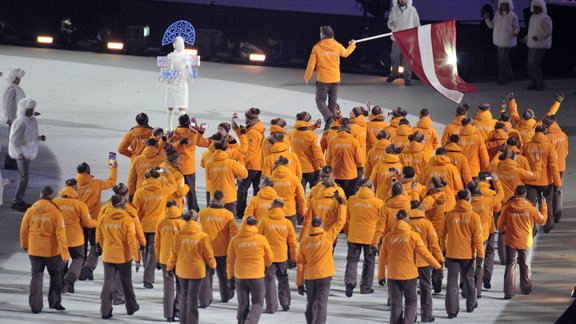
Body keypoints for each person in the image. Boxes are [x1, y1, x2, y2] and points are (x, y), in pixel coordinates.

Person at [378, 209, 441, 324]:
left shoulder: (388, 237)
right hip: (409, 275)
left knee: (395, 303)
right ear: (406, 219)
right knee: (411, 301)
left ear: (396, 220)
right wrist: (437, 266)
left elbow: (382, 258)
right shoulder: (413, 236)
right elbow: (425, 253)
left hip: (393, 275)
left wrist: (381, 275)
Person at [297, 191, 346, 324]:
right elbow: (340, 222)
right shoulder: (327, 237)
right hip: (325, 275)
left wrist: (299, 283)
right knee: (321, 304)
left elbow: (300, 264)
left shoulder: (304, 242)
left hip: (310, 277)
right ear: (321, 225)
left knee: (311, 303)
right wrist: (341, 205)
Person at [20, 186, 69, 313]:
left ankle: (35, 306)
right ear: (51, 196)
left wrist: (25, 245)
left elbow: (24, 230)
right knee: (56, 275)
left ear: (41, 194)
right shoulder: (55, 212)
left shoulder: (30, 211)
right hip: (51, 251)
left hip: (34, 250)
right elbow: (61, 234)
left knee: (36, 277)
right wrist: (64, 253)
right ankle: (54, 302)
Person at [167, 211, 216, 324]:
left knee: (184, 296)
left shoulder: (179, 235)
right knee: (193, 298)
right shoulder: (203, 236)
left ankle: (183, 321)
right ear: (196, 220)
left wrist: (169, 268)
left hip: (182, 270)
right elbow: (208, 254)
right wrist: (212, 266)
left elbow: (173, 253)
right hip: (197, 271)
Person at [498, 185, 546, 298]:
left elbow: (500, 225)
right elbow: (542, 221)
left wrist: (504, 230)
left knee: (510, 266)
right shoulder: (530, 208)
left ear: (515, 193)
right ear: (525, 194)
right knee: (525, 265)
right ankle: (526, 288)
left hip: (511, 241)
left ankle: (509, 292)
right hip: (526, 242)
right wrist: (543, 205)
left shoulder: (508, 206)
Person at [97, 194, 140, 319]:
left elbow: (99, 235)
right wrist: (137, 258)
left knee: (108, 282)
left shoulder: (104, 217)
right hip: (123, 257)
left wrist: (102, 246)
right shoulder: (127, 220)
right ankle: (131, 307)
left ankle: (105, 311)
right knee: (126, 282)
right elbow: (132, 241)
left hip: (108, 255)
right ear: (122, 205)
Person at [442, 190, 484, 318]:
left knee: (451, 282)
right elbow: (478, 239)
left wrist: (443, 249)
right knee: (469, 280)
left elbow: (442, 234)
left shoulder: (449, 215)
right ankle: (471, 304)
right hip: (467, 254)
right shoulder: (473, 216)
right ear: (468, 199)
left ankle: (451, 311)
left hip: (452, 253)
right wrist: (481, 255)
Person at [304, 25, 356, 127]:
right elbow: (345, 54)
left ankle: (329, 117)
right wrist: (352, 45)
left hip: (323, 79)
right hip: (335, 78)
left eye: (320, 32)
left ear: (323, 34)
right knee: (332, 102)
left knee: (319, 100)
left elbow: (311, 64)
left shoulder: (317, 47)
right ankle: (330, 124)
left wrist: (307, 77)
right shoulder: (337, 45)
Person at [76, 160, 118, 281]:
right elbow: (112, 182)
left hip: (79, 221)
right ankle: (88, 268)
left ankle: (79, 269)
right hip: (94, 220)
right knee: (96, 244)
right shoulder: (97, 183)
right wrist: (113, 167)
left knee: (81, 245)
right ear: (88, 172)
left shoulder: (73, 185)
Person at [227, 216, 274, 324]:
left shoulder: (235, 239)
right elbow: (270, 257)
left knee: (243, 303)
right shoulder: (261, 239)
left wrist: (230, 277)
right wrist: (265, 266)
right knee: (258, 302)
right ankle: (251, 321)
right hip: (257, 275)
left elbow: (229, 260)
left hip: (240, 276)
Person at [53, 179, 97, 293]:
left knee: (63, 258)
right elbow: (87, 223)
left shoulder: (54, 202)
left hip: (58, 237)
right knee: (78, 258)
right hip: (75, 239)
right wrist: (98, 223)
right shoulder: (79, 204)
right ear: (75, 190)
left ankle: (61, 285)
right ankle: (69, 280)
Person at [258, 198, 298, 313]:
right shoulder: (287, 223)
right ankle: (285, 303)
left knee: (269, 281)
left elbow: (258, 238)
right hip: (282, 257)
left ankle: (271, 307)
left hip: (268, 258)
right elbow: (293, 243)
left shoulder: (264, 221)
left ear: (272, 207)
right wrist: (295, 257)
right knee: (283, 279)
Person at [132, 168, 171, 289]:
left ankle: (148, 274)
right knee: (152, 251)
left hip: (143, 225)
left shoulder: (139, 192)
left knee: (144, 249)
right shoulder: (164, 190)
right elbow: (174, 185)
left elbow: (134, 210)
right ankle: (148, 278)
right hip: (157, 226)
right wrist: (166, 171)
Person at [198, 190, 238, 306]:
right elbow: (234, 232)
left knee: (206, 276)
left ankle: (204, 300)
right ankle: (225, 295)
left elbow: (198, 230)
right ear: (222, 199)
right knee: (223, 274)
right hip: (222, 250)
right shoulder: (228, 215)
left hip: (206, 250)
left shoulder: (203, 213)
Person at [407, 201, 445, 323]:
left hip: (408, 261)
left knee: (409, 291)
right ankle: (426, 315)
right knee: (426, 288)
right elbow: (434, 245)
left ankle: (410, 316)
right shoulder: (426, 224)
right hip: (424, 261)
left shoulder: (404, 223)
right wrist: (440, 259)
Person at [344, 179, 383, 297]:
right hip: (370, 237)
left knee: (352, 261)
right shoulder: (378, 203)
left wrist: (348, 233)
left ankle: (349, 283)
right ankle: (365, 287)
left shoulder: (351, 200)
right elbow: (381, 221)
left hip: (354, 235)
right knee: (369, 262)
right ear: (370, 187)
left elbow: (346, 217)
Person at [8, 98, 46, 211]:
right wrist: (19, 153)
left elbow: (29, 137)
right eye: (29, 109)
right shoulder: (21, 122)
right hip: (22, 154)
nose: (31, 111)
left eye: (32, 109)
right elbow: (13, 140)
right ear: (24, 109)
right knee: (24, 177)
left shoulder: (31, 120)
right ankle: (16, 200)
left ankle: (19, 199)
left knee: (24, 177)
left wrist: (39, 138)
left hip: (27, 153)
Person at [522, 125, 562, 233]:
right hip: (546, 182)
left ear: (535, 133)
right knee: (547, 203)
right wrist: (558, 183)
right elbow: (554, 167)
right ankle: (548, 225)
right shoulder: (549, 146)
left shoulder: (526, 146)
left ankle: (531, 229)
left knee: (530, 206)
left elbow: (521, 162)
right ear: (545, 133)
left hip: (530, 181)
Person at [155, 200, 186, 321]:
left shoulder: (161, 223)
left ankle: (168, 314)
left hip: (164, 259)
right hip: (178, 260)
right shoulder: (182, 224)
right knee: (181, 286)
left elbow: (157, 244)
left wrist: (157, 259)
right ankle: (177, 310)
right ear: (177, 207)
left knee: (168, 287)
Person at [235, 108, 266, 219]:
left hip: (251, 165)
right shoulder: (256, 128)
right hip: (259, 164)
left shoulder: (252, 132)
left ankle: (240, 212)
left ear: (249, 118)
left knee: (242, 188)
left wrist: (242, 166)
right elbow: (244, 138)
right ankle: (257, 212)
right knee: (257, 189)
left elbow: (249, 152)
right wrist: (236, 127)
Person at [205, 140, 248, 217]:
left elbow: (209, 177)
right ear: (226, 149)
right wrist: (241, 162)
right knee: (230, 225)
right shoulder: (231, 163)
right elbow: (244, 174)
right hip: (229, 197)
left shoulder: (209, 164)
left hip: (215, 198)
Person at [326, 118, 364, 198]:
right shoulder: (354, 142)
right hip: (350, 175)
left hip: (336, 175)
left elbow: (328, 159)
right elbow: (360, 161)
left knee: (337, 199)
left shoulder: (332, 141)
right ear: (349, 129)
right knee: (349, 198)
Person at [484, 0, 520, 85]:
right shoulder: (497, 14)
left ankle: (507, 77)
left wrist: (515, 32)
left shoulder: (512, 15)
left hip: (507, 40)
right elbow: (491, 25)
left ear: (509, 5)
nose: (503, 5)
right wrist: (487, 18)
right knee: (501, 59)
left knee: (502, 58)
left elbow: (516, 27)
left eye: (505, 4)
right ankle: (503, 78)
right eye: (502, 4)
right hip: (498, 40)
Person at [387, 0, 421, 85]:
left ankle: (407, 77)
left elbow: (417, 24)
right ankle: (393, 74)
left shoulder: (412, 10)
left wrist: (417, 35)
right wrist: (391, 24)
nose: (402, 0)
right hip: (396, 38)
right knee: (394, 57)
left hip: (408, 39)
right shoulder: (394, 10)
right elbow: (389, 22)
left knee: (408, 59)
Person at [541, 115, 568, 224]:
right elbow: (566, 152)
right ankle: (557, 215)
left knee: (548, 192)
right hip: (561, 167)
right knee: (558, 191)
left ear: (547, 124)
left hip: (550, 168)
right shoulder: (563, 135)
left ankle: (549, 216)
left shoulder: (547, 138)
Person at [171, 114, 199, 212]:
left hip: (176, 167)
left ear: (179, 123)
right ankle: (193, 211)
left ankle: (176, 210)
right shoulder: (193, 133)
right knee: (191, 191)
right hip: (189, 167)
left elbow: (169, 146)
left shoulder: (174, 134)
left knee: (175, 190)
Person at [291, 111, 326, 190]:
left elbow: (302, 130)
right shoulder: (313, 136)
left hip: (298, 168)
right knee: (316, 192)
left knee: (300, 193)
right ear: (308, 121)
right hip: (312, 168)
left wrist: (314, 126)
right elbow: (317, 152)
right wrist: (323, 165)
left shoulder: (293, 132)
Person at [165, 36, 193, 131]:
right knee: (182, 107)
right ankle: (182, 128)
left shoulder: (170, 56)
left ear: (174, 45)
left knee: (170, 106)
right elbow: (189, 70)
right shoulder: (186, 55)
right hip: (183, 84)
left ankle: (169, 128)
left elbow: (167, 71)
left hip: (172, 83)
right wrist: (190, 78)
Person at [524, 0, 552, 91]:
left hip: (540, 45)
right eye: (534, 7)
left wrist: (539, 37)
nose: (535, 9)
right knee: (529, 65)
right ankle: (534, 82)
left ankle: (541, 84)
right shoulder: (533, 17)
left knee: (534, 64)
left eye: (537, 7)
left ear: (541, 7)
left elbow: (548, 32)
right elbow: (531, 31)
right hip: (532, 44)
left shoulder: (545, 18)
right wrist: (526, 38)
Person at [2, 67, 26, 170]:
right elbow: (6, 104)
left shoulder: (15, 88)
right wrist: (7, 116)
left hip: (16, 118)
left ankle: (12, 161)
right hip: (12, 119)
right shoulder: (11, 88)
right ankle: (10, 162)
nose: (19, 80)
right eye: (17, 78)